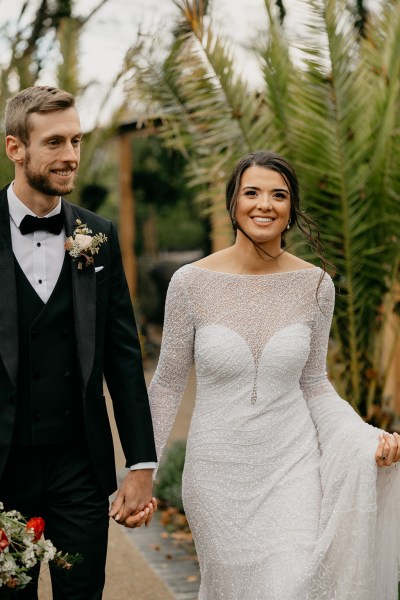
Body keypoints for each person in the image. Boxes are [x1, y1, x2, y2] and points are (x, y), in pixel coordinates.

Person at [148, 150, 400, 600]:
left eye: (278, 195)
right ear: (233, 204)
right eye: (252, 192)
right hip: (216, 477)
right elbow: (166, 384)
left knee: (290, 585)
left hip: (293, 470)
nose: (265, 203)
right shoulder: (189, 283)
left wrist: (364, 437)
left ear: (290, 211)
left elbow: (315, 383)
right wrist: (140, 471)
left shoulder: (317, 285)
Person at [0, 86, 158, 599]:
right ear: (15, 148)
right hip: (4, 472)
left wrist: (139, 465)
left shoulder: (98, 235)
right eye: (54, 143)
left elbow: (124, 361)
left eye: (76, 140)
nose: (70, 155)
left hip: (80, 472)